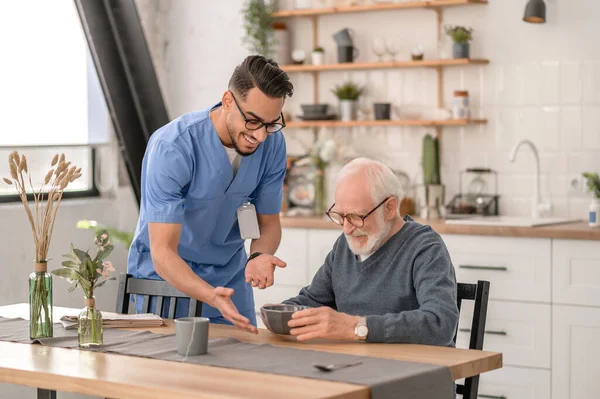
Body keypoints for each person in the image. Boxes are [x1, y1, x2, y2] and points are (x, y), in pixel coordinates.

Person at [127, 55, 294, 334]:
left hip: (228, 278)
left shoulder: (273, 145)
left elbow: (268, 223)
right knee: (169, 372)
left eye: (270, 123)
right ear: (228, 100)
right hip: (167, 280)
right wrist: (208, 294)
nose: (261, 136)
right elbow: (163, 251)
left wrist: (259, 256)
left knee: (241, 369)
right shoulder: (173, 147)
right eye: (253, 121)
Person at [272, 158, 459, 345]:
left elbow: (441, 323)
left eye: (356, 216)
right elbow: (312, 300)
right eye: (340, 216)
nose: (346, 229)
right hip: (355, 365)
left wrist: (356, 327)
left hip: (416, 367)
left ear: (389, 208)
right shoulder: (345, 245)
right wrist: (279, 312)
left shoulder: (425, 247)